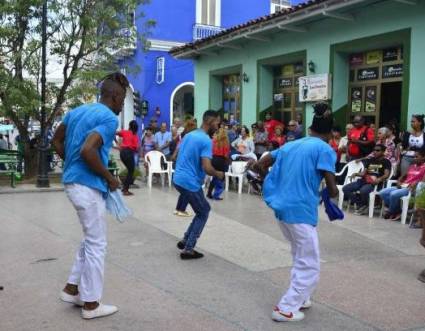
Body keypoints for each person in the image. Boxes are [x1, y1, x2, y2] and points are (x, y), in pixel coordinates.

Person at [249, 102, 338, 322]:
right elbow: (332, 186)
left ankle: (302, 297)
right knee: (309, 262)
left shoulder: (291, 144)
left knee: (299, 253)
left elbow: (262, 162)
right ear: (330, 133)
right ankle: (286, 309)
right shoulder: (325, 149)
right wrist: (331, 196)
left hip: (282, 209)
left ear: (310, 129)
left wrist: (269, 176)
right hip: (301, 210)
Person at [52, 72, 129, 319]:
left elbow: (56, 141)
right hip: (87, 188)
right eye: (123, 99)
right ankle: (91, 305)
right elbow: (88, 150)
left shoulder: (77, 111)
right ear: (115, 96)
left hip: (73, 183)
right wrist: (110, 178)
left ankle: (72, 288)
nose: (122, 105)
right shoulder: (108, 118)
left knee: (90, 238)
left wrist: (71, 165)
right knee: (97, 244)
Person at [173, 110, 225, 259]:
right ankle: (188, 249)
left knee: (200, 210)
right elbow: (207, 167)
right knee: (204, 211)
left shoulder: (189, 135)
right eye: (217, 122)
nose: (218, 125)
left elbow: (181, 155)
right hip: (189, 182)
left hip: (178, 179)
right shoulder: (206, 140)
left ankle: (185, 240)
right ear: (209, 121)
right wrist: (218, 174)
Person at [342, 144, 391, 215]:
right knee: (345, 189)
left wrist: (379, 179)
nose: (375, 152)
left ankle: (362, 206)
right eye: (374, 150)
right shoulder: (370, 160)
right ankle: (363, 204)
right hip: (363, 180)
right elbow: (363, 173)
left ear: (383, 152)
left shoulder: (386, 161)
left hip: (374, 183)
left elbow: (386, 174)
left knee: (363, 190)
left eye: (377, 150)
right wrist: (356, 174)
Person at [379, 149, 425, 221]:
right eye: (414, 157)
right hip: (403, 186)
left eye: (416, 157)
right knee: (382, 193)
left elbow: (423, 182)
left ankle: (391, 212)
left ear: (423, 157)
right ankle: (397, 211)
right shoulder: (412, 166)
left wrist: (416, 183)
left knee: (393, 194)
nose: (414, 159)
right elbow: (402, 176)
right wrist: (399, 181)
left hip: (411, 189)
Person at [116, 120, 139, 196]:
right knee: (131, 171)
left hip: (122, 153)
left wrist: (117, 143)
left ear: (129, 126)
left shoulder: (125, 132)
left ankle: (124, 188)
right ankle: (125, 190)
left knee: (129, 170)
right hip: (129, 153)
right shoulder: (135, 136)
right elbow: (136, 148)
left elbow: (114, 132)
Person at [207, 128, 230, 200]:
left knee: (214, 177)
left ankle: (209, 193)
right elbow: (226, 155)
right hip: (221, 160)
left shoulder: (214, 141)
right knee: (221, 178)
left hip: (213, 159)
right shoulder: (225, 142)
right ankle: (216, 195)